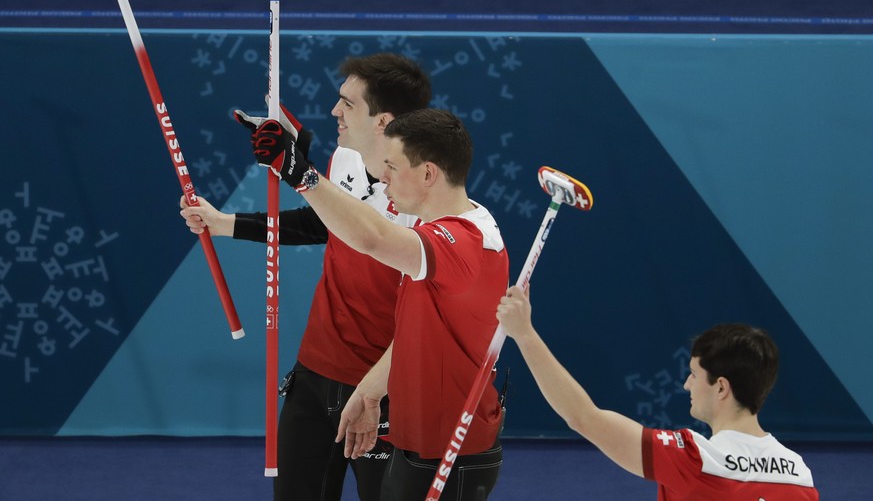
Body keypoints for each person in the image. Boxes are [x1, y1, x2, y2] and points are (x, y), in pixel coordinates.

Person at [180, 53, 431, 501]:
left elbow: (381, 248)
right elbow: (323, 222)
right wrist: (225, 223)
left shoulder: (424, 197)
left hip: (384, 389)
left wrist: (299, 169)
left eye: (347, 104)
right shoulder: (343, 161)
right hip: (315, 375)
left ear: (384, 120)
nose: (334, 111)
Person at [248, 107, 508, 500]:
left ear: (427, 174)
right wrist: (370, 393)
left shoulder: (465, 242)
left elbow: (372, 238)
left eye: (392, 166)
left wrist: (298, 171)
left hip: (450, 451)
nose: (383, 176)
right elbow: (411, 333)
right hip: (416, 441)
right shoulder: (431, 229)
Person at [495, 285, 820, 500]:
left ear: (721, 387)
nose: (687, 385)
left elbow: (583, 417)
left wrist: (524, 334)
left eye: (694, 375)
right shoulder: (801, 474)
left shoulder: (695, 458)